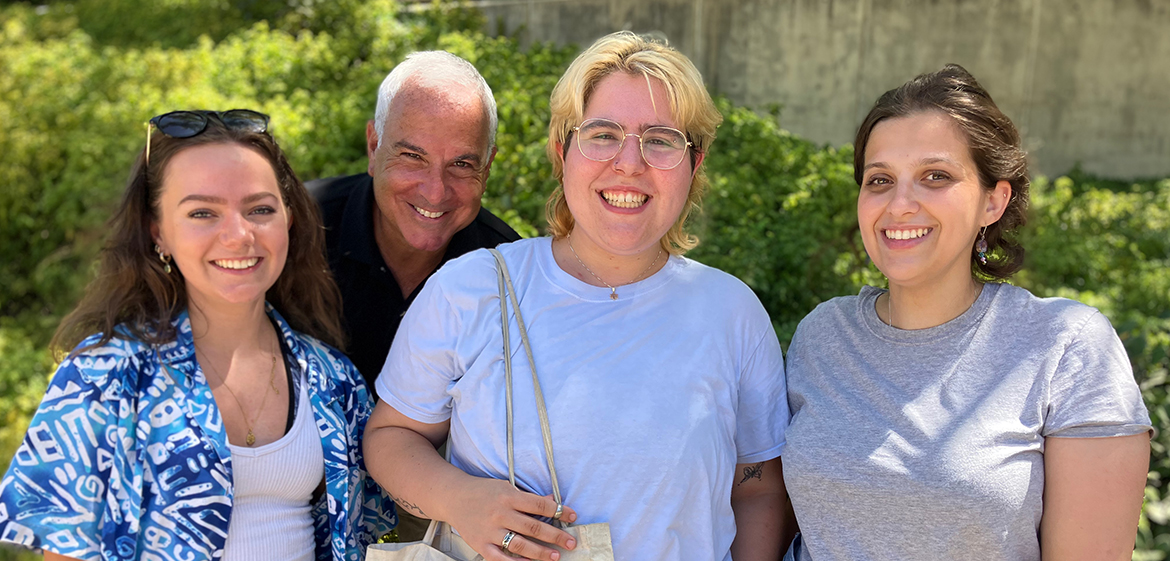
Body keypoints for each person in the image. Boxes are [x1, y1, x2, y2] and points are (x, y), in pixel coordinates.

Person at [361, 31, 788, 561]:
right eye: (603, 134)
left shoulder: (732, 313)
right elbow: (390, 437)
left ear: (694, 165)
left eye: (661, 139)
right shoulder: (472, 290)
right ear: (563, 152)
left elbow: (757, 487)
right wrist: (458, 498)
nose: (630, 163)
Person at [781, 65, 1152, 561]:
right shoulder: (823, 334)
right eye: (879, 180)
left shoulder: (1066, 345)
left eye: (936, 177)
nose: (899, 205)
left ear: (993, 201)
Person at [0, 110, 395, 560]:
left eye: (259, 209)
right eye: (202, 212)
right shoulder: (105, 374)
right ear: (158, 233)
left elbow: (373, 530)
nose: (238, 235)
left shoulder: (332, 377)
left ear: (288, 218)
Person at [306, 51, 520, 386]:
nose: (436, 192)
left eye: (461, 165)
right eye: (412, 157)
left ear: (487, 166)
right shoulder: (297, 229)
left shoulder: (509, 279)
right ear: (374, 147)